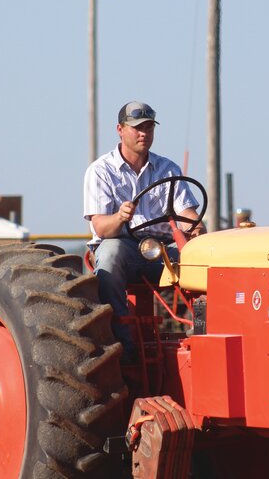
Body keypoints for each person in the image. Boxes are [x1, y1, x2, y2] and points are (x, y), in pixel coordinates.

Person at [83, 101, 205, 359]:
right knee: (111, 254)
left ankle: (205, 337)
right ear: (120, 129)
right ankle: (120, 344)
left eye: (149, 128)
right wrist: (118, 217)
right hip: (121, 245)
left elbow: (185, 215)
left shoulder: (167, 169)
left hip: (158, 250)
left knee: (204, 260)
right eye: (137, 128)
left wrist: (195, 228)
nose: (144, 134)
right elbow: (101, 227)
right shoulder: (101, 171)